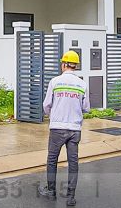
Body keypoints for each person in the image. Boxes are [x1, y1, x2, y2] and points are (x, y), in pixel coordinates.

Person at [38, 50, 88, 206]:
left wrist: (53, 115)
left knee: (52, 160)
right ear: (75, 66)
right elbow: (86, 108)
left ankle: (51, 191)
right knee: (73, 162)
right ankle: (71, 196)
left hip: (57, 128)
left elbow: (46, 105)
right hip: (75, 129)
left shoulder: (55, 82)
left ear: (65, 64)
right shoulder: (82, 84)